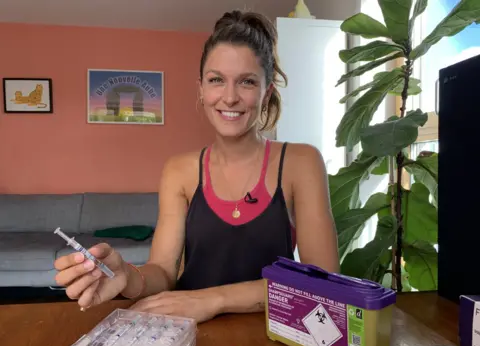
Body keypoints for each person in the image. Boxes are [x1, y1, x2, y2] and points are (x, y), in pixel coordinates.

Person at [54, 10, 339, 323]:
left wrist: (213, 300)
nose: (229, 97)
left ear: (266, 92)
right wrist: (126, 275)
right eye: (216, 80)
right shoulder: (180, 171)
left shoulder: (301, 163)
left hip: (273, 332)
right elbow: (162, 271)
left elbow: (322, 281)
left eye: (246, 82)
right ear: (201, 89)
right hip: (188, 332)